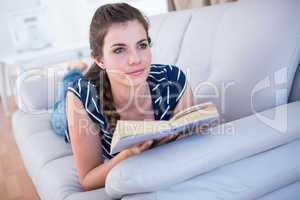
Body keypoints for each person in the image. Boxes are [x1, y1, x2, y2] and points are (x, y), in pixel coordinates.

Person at [66, 3, 196, 191]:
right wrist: (127, 155)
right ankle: (73, 70)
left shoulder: (173, 81)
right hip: (79, 97)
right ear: (100, 59)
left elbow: (191, 145)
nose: (136, 59)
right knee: (62, 108)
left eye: (142, 45)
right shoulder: (81, 97)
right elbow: (88, 180)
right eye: (119, 49)